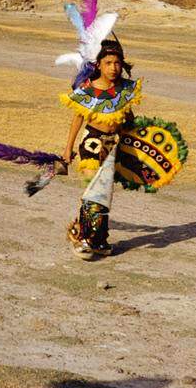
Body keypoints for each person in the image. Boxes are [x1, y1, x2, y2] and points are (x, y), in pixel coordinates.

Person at [59, 37, 141, 259]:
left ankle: (100, 239)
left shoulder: (125, 89)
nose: (113, 68)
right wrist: (67, 150)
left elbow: (128, 118)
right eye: (108, 63)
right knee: (94, 189)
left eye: (117, 63)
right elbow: (77, 118)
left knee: (105, 192)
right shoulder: (88, 89)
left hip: (113, 145)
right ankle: (83, 239)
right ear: (98, 65)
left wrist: (136, 145)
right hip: (92, 142)